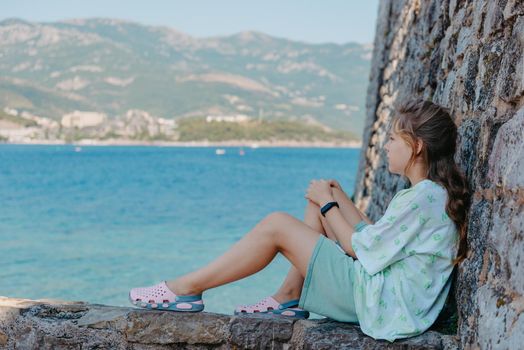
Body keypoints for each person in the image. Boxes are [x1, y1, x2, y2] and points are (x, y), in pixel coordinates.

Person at [129, 99, 471, 342]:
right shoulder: (425, 195)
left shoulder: (426, 197)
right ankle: (288, 296)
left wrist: (328, 206)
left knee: (277, 224)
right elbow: (375, 238)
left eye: (393, 139)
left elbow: (359, 249)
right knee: (317, 198)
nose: (386, 146)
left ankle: (185, 289)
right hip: (382, 296)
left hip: (379, 303)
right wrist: (339, 199)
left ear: (416, 148)